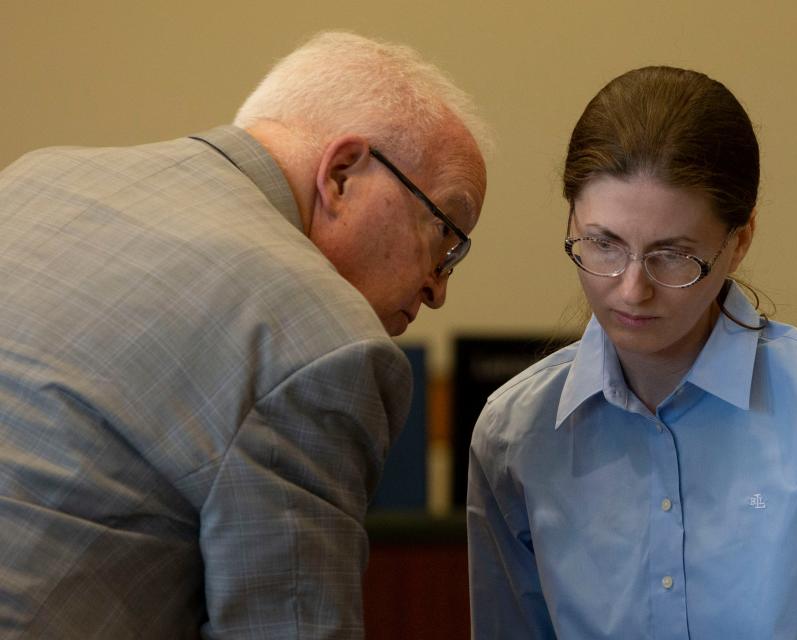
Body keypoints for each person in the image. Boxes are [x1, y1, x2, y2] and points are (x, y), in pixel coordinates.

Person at [0, 31, 487, 638]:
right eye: (443, 236)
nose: (438, 289)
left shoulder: (35, 182)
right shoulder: (320, 339)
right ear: (340, 174)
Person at [467, 66, 797, 639]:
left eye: (672, 255)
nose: (631, 289)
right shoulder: (514, 433)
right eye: (603, 244)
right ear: (571, 219)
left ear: (739, 241)